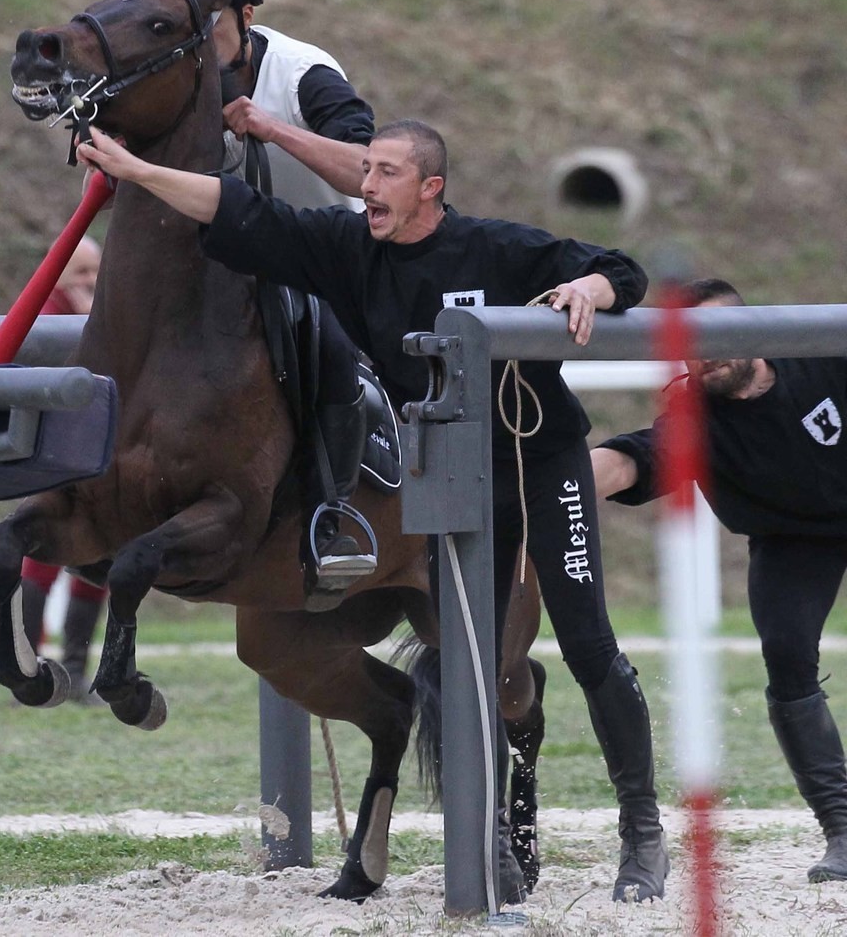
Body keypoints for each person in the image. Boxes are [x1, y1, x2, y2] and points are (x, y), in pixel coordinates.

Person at [75, 117, 668, 903]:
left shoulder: (494, 247)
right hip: (448, 478)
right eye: (367, 171)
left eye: (387, 173)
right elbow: (234, 210)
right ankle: (489, 835)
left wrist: (587, 289)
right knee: (470, 663)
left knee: (589, 646)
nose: (368, 185)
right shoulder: (346, 246)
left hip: (536, 461)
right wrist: (135, 171)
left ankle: (643, 834)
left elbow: (617, 268)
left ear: (431, 188)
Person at [592, 276, 847, 885]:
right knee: (786, 657)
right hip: (794, 540)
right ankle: (843, 829)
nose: (704, 356)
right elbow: (638, 456)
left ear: (753, 330)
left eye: (717, 337)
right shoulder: (693, 414)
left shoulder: (821, 351)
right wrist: (557, 483)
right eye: (692, 345)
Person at [162, 0, 379, 605]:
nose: (198, 41)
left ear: (248, 15)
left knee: (332, 350)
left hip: (330, 259)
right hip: (236, 262)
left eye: (211, 24)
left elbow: (369, 170)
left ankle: (334, 516)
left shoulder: (304, 72)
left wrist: (273, 128)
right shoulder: (181, 79)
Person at [19, 236, 107, 702]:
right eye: (80, 274)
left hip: (102, 450)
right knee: (41, 557)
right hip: (54, 452)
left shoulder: (112, 306)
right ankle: (26, 671)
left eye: (96, 272)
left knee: (98, 557)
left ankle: (75, 668)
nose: (90, 283)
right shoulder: (45, 312)